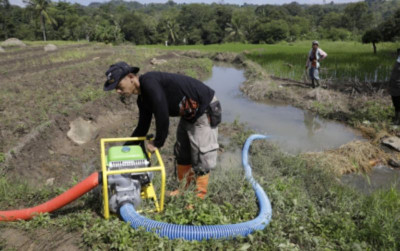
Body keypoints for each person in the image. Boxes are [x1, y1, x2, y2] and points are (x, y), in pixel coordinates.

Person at [103, 62, 221, 199]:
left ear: (130, 77)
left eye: (118, 85)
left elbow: (162, 112)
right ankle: (183, 190)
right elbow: (142, 127)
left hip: (203, 109)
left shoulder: (149, 82)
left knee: (202, 156)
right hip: (188, 113)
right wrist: (123, 151)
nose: (118, 91)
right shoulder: (142, 100)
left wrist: (158, 142)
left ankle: (198, 198)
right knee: (182, 151)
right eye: (115, 88)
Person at [389, 48, 400, 125]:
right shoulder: (398, 61)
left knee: (398, 103)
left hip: (398, 86)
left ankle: (398, 120)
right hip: (394, 85)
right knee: (396, 102)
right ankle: (396, 117)